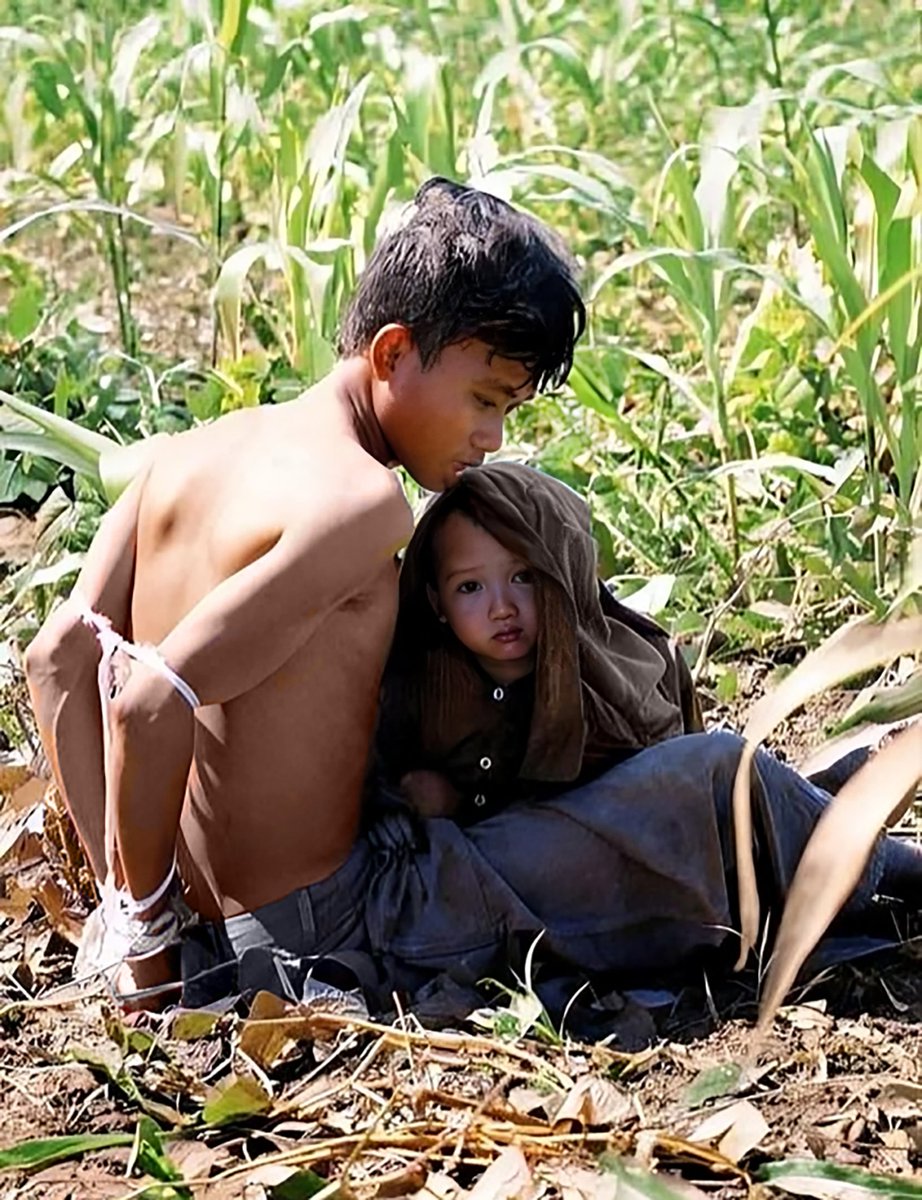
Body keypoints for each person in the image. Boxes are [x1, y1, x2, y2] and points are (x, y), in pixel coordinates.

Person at [23, 177, 586, 1006]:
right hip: (320, 928)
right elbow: (153, 696)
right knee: (678, 801)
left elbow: (57, 656)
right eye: (484, 399)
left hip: (197, 919)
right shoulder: (361, 502)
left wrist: (131, 903)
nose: (492, 437)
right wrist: (145, 956)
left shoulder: (184, 452)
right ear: (392, 354)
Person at [377, 461, 703, 823]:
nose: (501, 609)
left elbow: (671, 806)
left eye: (523, 577)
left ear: (562, 579)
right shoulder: (418, 688)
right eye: (470, 587)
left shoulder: (623, 684)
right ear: (437, 603)